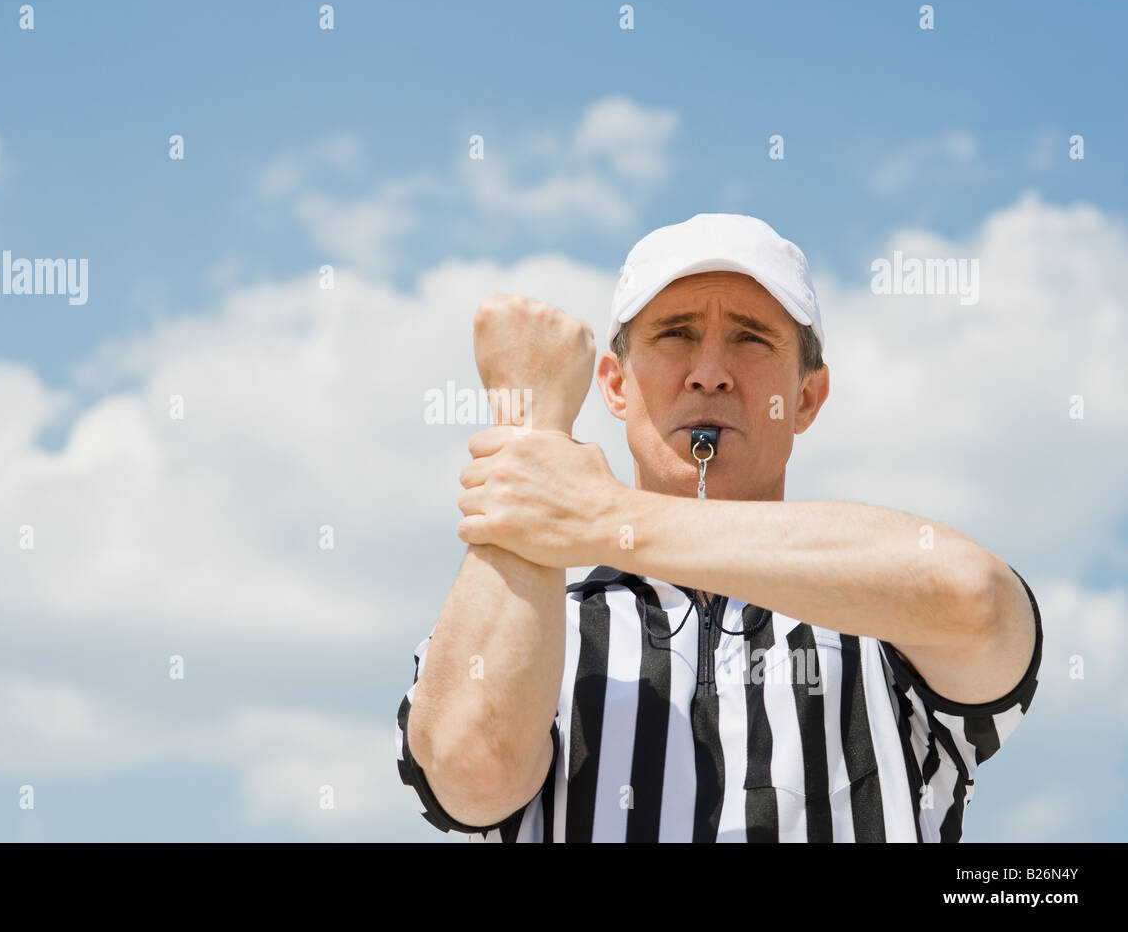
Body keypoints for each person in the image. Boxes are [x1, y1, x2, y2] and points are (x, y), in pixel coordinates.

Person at [395, 213, 1042, 842]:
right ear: (616, 387)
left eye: (750, 338)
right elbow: (471, 772)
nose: (710, 371)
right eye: (674, 334)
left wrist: (603, 515)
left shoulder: (887, 630)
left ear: (808, 397)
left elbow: (973, 597)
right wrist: (529, 428)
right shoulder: (548, 625)